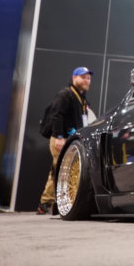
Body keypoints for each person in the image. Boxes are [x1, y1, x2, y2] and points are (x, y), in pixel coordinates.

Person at [37, 67, 93, 215]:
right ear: (74, 78)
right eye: (83, 77)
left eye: (88, 78)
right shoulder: (65, 94)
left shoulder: (83, 99)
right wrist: (59, 137)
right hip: (61, 139)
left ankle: (46, 202)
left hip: (71, 140)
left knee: (59, 170)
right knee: (62, 171)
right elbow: (56, 116)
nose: (87, 80)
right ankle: (55, 203)